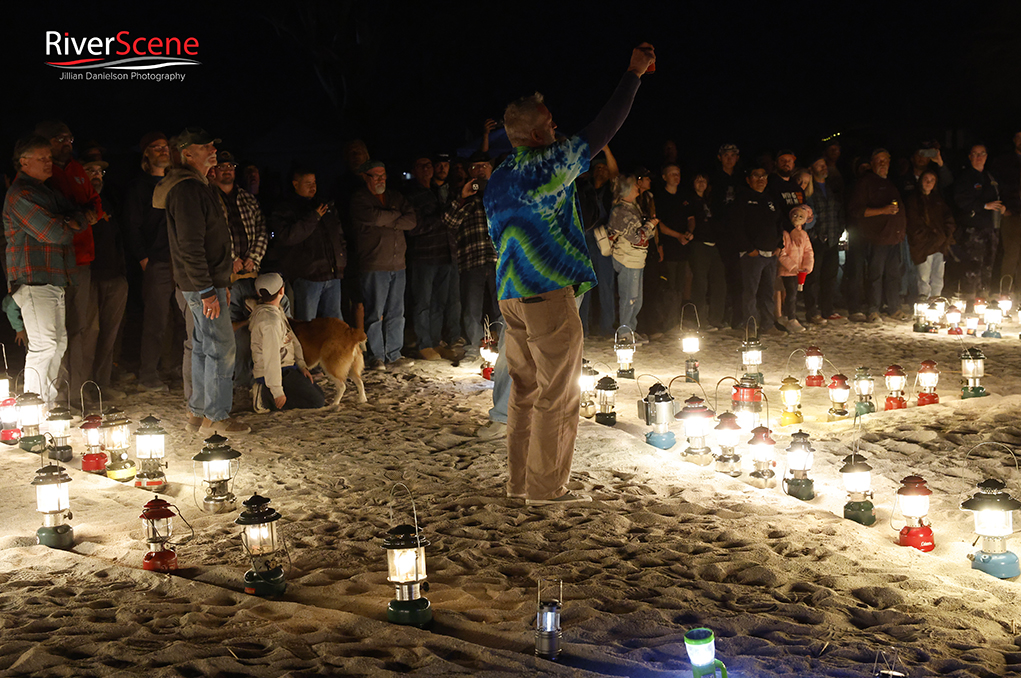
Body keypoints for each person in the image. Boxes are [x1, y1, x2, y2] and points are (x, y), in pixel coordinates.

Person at [484, 42, 655, 505]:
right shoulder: (550, 165)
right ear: (538, 134)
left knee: (523, 392)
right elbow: (604, 127)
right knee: (556, 398)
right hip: (548, 295)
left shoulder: (499, 176)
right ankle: (546, 488)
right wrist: (634, 73)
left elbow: (496, 238)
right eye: (552, 124)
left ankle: (519, 484)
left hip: (511, 295)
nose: (558, 129)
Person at [153, 127, 249, 435]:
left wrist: (218, 282)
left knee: (203, 345)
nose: (212, 150)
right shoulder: (188, 190)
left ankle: (198, 412)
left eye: (212, 145)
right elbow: (190, 245)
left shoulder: (193, 186)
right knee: (220, 347)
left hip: (202, 283)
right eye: (204, 146)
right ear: (186, 153)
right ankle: (216, 416)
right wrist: (208, 289)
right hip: (201, 285)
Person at [3, 135, 91, 404]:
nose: (48, 162)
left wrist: (69, 220)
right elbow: (54, 232)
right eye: (42, 158)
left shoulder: (46, 191)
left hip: (52, 278)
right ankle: (34, 408)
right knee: (44, 346)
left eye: (50, 158)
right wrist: (69, 222)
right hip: (33, 279)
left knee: (57, 345)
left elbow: (80, 216)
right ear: (23, 162)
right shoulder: (21, 194)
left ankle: (48, 404)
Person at [37, 121, 104, 407]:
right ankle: (58, 392)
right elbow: (58, 215)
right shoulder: (43, 173)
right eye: (59, 138)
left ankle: (79, 389)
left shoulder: (77, 169)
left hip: (82, 260)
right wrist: (79, 215)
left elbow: (96, 206)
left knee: (83, 327)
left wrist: (83, 215)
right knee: (58, 331)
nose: (66, 143)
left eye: (69, 138)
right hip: (54, 262)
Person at [349, 160, 417, 370]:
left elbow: (412, 220)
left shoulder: (395, 196)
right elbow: (373, 217)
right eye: (376, 176)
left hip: (398, 264)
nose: (381, 180)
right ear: (365, 177)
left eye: (383, 175)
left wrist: (389, 219)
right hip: (374, 263)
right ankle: (376, 356)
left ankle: (394, 354)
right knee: (374, 312)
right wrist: (396, 217)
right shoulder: (359, 199)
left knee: (397, 311)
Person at [123, 131, 175, 391]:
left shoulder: (177, 182)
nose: (163, 151)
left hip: (182, 260)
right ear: (146, 153)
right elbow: (132, 226)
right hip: (157, 261)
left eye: (165, 146)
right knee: (156, 320)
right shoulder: (140, 187)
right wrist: (144, 258)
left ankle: (175, 368)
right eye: (156, 147)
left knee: (184, 319)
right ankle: (148, 373)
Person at [440, 152, 500, 360]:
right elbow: (448, 223)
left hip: (498, 258)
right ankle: (477, 350)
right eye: (475, 167)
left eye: (484, 165)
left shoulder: (501, 190)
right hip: (471, 258)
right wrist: (463, 198)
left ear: (491, 169)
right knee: (471, 309)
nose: (480, 170)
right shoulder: (459, 193)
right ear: (469, 171)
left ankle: (507, 348)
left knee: (503, 305)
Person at [268, 169, 346, 322]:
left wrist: (341, 260)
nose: (313, 187)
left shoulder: (324, 205)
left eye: (315, 182)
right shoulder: (286, 209)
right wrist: (314, 217)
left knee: (335, 324)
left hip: (332, 274)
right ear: (295, 184)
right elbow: (288, 237)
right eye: (308, 183)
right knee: (307, 324)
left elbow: (339, 236)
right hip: (308, 276)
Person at [402, 155, 457, 360]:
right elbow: (415, 227)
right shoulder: (410, 195)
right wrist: (442, 218)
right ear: (414, 170)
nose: (426, 169)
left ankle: (435, 341)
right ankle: (423, 343)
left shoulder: (438, 191)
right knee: (422, 302)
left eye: (428, 165)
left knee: (439, 302)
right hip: (424, 256)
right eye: (421, 166)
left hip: (446, 253)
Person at [82, 156, 128, 398]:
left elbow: (119, 237)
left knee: (110, 333)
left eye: (100, 171)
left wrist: (122, 271)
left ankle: (102, 385)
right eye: (90, 169)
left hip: (114, 275)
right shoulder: (76, 202)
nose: (97, 175)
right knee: (89, 333)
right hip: (89, 275)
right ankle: (84, 386)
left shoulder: (107, 203)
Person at [249, 272, 325, 412]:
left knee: (317, 393)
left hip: (287, 367)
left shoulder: (276, 312)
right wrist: (277, 391)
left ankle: (272, 391)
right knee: (317, 401)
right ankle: (265, 396)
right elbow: (272, 357)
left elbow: (292, 339)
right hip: (276, 371)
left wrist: (301, 365)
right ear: (282, 291)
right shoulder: (270, 322)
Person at [846, 149, 906, 323]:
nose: (882, 164)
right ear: (872, 163)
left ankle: (894, 307)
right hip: (876, 238)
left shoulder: (890, 183)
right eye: (878, 160)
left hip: (893, 238)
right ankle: (873, 310)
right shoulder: (865, 182)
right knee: (875, 275)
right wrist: (882, 210)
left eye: (885, 160)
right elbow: (856, 210)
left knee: (894, 274)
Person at [732, 167, 784, 334]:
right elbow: (737, 226)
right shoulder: (742, 199)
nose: (760, 179)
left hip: (770, 254)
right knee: (750, 292)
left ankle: (768, 324)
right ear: (749, 179)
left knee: (768, 292)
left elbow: (778, 224)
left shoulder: (770, 199)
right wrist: (749, 249)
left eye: (763, 176)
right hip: (753, 255)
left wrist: (779, 245)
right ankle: (750, 326)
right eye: (756, 175)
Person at [953, 144, 1003, 298]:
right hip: (973, 229)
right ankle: (969, 302)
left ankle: (982, 299)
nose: (978, 158)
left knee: (987, 266)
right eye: (975, 154)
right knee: (972, 267)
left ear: (986, 156)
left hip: (991, 228)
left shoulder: (990, 177)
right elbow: (960, 200)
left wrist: (1002, 207)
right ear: (970, 157)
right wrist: (983, 206)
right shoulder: (965, 177)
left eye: (982, 154)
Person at [608, 174, 655, 337]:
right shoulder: (621, 210)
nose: (638, 186)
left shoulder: (632, 206)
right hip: (627, 259)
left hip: (636, 259)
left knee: (636, 299)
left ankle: (630, 330)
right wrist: (650, 226)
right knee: (629, 298)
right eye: (635, 184)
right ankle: (624, 333)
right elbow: (636, 237)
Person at [803, 156, 845, 324]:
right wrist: (814, 235)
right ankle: (812, 311)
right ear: (811, 169)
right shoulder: (810, 190)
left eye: (824, 165)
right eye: (819, 165)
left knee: (830, 276)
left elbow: (838, 212)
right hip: (817, 240)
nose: (823, 168)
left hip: (832, 239)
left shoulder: (831, 188)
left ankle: (827, 309)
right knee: (813, 278)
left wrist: (839, 231)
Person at [683, 172, 726, 330]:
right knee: (700, 283)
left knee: (719, 281)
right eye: (698, 180)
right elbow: (690, 219)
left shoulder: (710, 200)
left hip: (714, 244)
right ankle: (700, 320)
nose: (701, 183)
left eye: (704, 180)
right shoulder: (689, 200)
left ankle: (716, 318)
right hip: (698, 244)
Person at [905, 169, 956, 299]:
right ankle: (923, 302)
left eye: (932, 180)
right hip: (924, 245)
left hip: (940, 244)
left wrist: (946, 234)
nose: (928, 182)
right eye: (926, 179)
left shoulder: (938, 200)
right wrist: (928, 237)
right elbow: (914, 223)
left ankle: (936, 301)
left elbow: (948, 218)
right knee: (923, 276)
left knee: (938, 274)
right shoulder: (914, 200)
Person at [991, 132, 1021, 290]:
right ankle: (1005, 294)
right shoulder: (1004, 162)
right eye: (1019, 136)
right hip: (1012, 214)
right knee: (1011, 254)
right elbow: (997, 185)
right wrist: (1005, 208)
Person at [777, 205, 814, 332]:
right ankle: (790, 317)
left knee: (794, 294)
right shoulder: (785, 234)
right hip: (788, 270)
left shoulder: (803, 235)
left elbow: (808, 251)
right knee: (790, 293)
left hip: (799, 271)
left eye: (801, 217)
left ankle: (791, 316)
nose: (797, 218)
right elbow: (782, 253)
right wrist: (793, 267)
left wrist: (806, 266)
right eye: (795, 215)